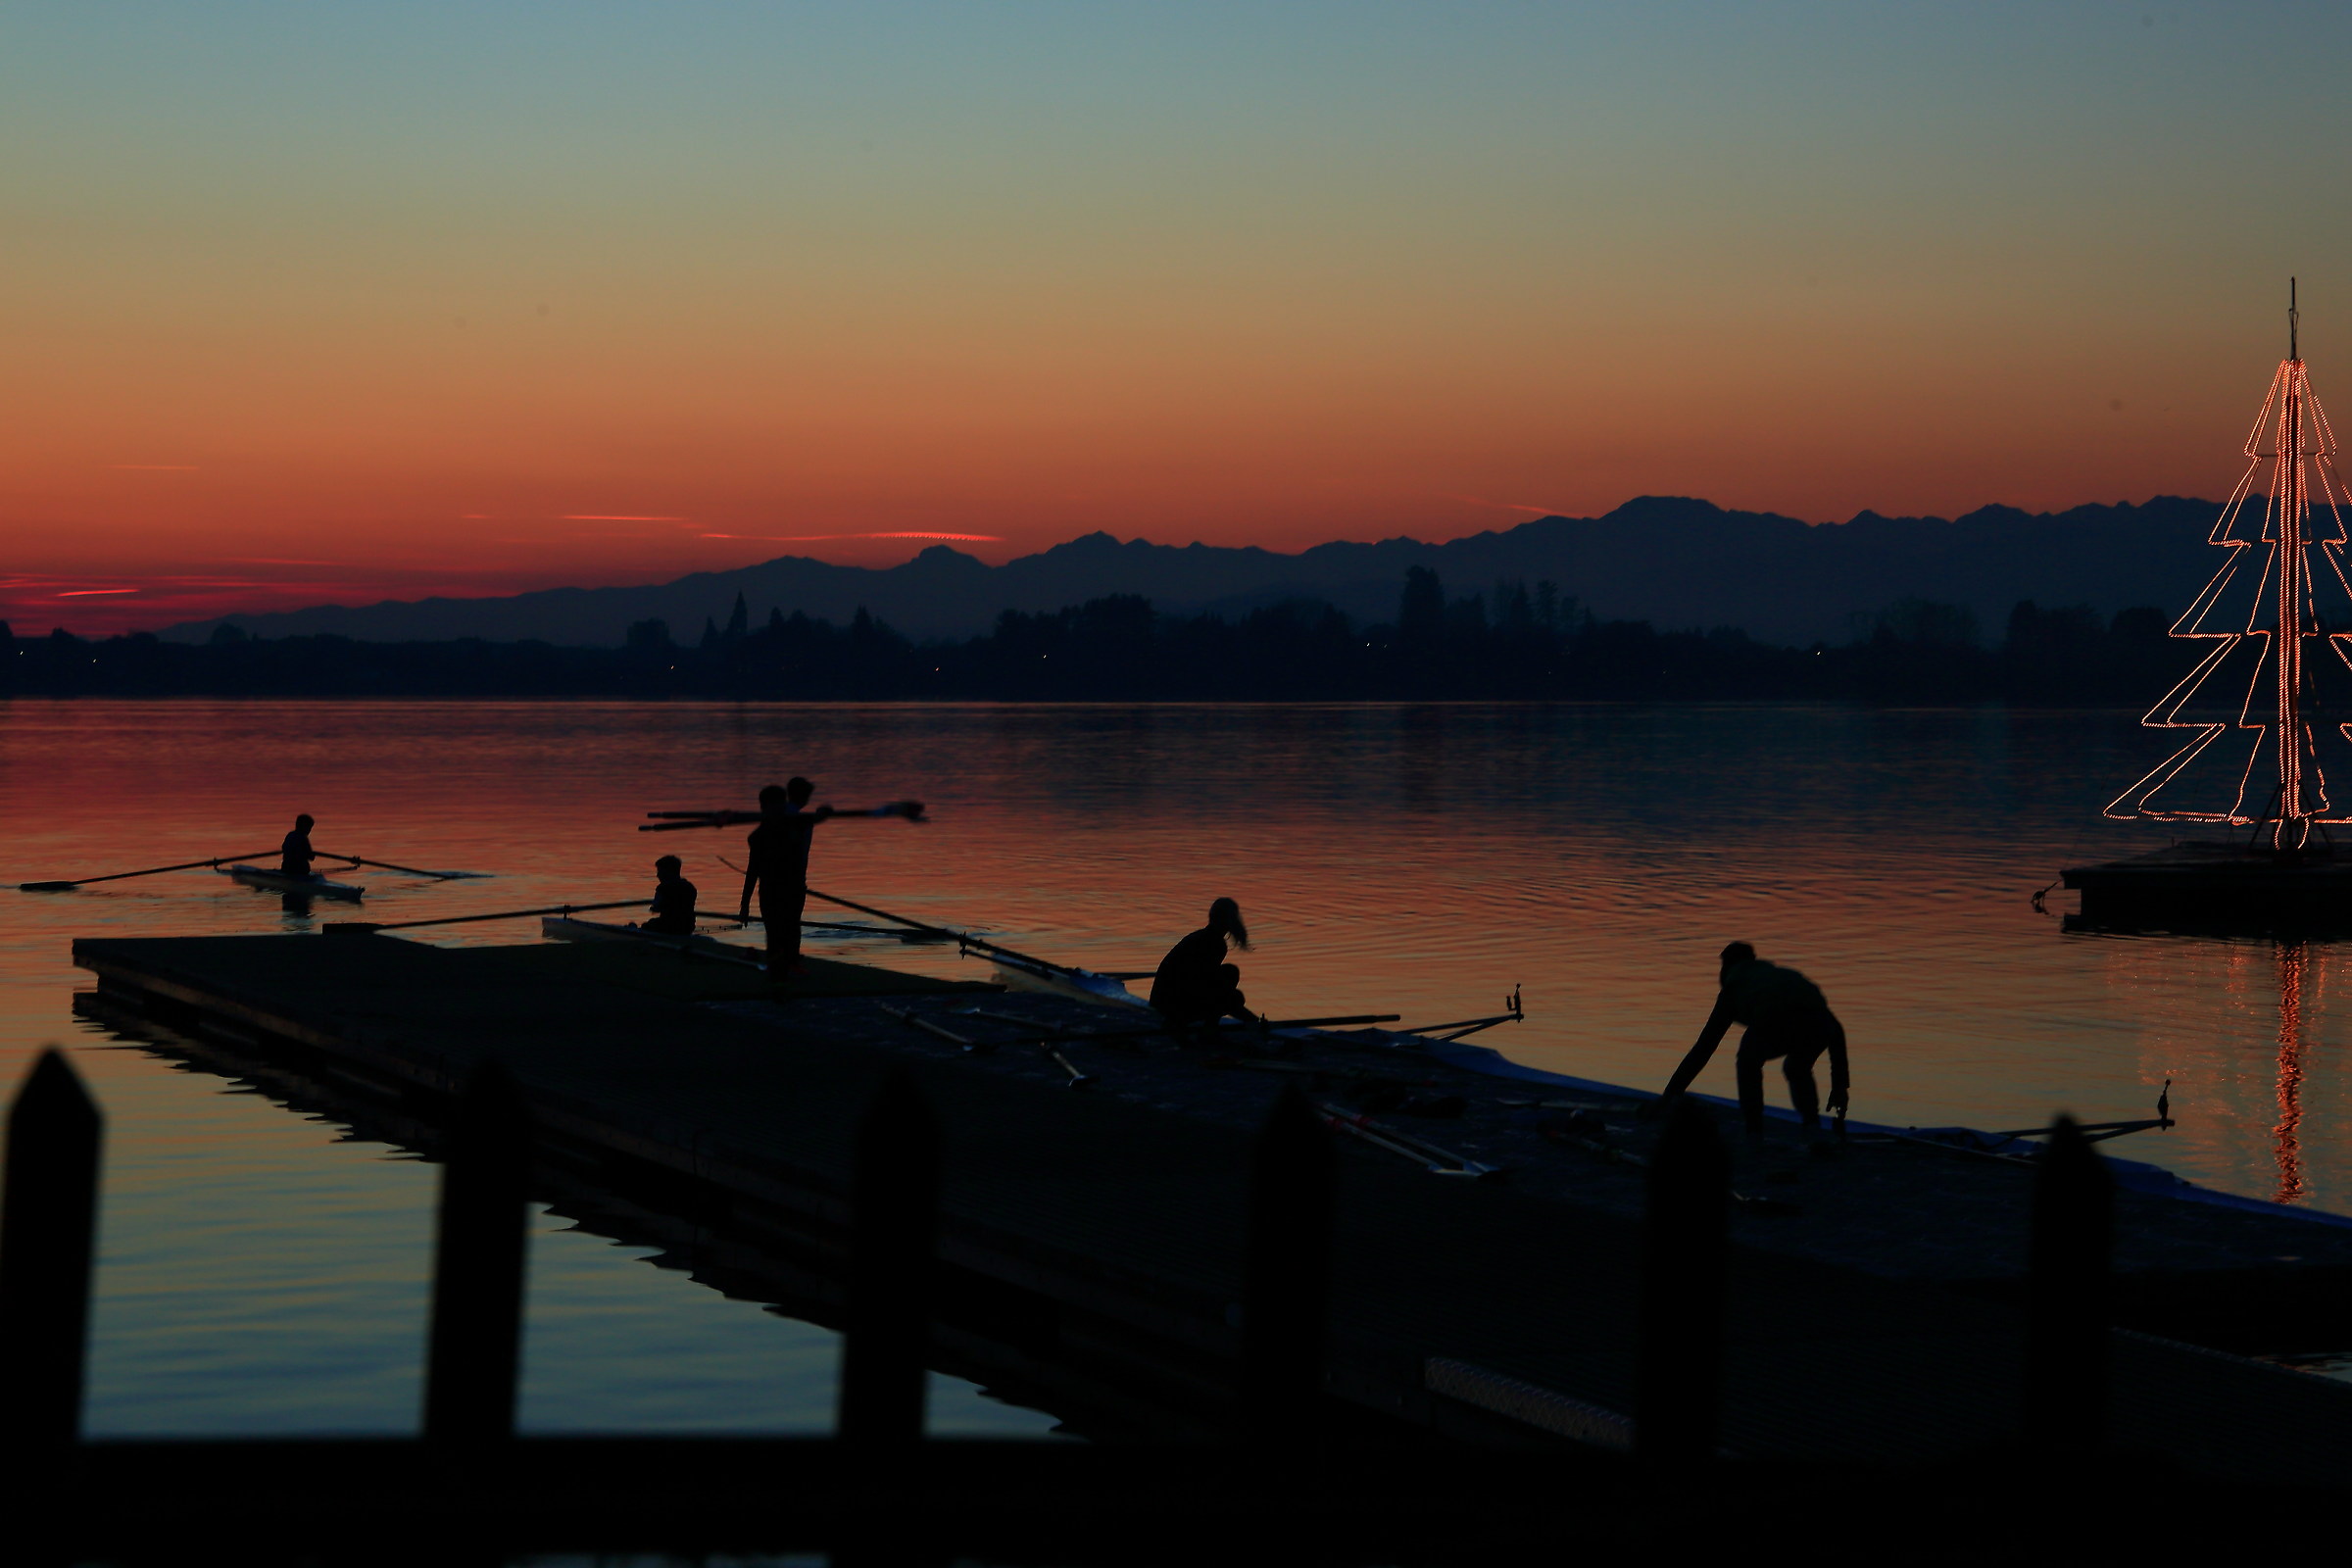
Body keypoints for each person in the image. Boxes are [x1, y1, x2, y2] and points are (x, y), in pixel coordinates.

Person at [1647, 942, 1849, 1137]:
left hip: (1780, 1018)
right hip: (1818, 1025)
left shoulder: (1735, 986)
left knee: (1748, 1061)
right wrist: (1840, 1086)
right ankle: (1811, 1124)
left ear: (1727, 966)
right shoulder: (1778, 976)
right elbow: (1835, 1029)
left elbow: (1703, 1049)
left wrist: (1667, 1098)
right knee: (1796, 1067)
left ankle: (1754, 1130)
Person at [737, 779, 831, 975]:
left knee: (790, 927)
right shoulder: (759, 835)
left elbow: (814, 818)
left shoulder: (796, 822)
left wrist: (823, 812)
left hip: (792, 886)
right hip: (773, 887)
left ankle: (791, 963)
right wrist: (745, 903)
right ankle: (780, 968)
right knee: (776, 931)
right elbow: (753, 868)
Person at [1151, 898, 1258, 1030]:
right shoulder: (1214, 943)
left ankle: (1204, 1026)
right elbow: (1207, 987)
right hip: (1170, 1006)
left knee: (1231, 989)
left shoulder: (1201, 937)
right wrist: (1250, 1018)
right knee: (1232, 982)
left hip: (1162, 1002)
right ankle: (1208, 1030)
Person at [646, 855, 698, 935]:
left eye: (659, 871)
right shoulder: (689, 886)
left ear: (668, 872)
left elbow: (656, 907)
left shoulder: (663, 888)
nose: (657, 875)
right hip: (688, 927)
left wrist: (652, 908)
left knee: (647, 925)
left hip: (667, 926)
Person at [280, 814, 318, 880]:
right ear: (303, 826)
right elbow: (311, 857)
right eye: (309, 828)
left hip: (286, 869)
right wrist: (312, 854)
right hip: (300, 871)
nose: (309, 830)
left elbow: (284, 848)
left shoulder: (290, 835)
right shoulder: (303, 838)